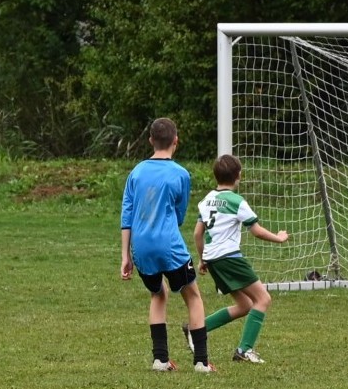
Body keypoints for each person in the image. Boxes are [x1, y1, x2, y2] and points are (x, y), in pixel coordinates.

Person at [120, 117, 215, 373]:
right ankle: (201, 362)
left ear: (151, 140)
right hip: (169, 246)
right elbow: (180, 213)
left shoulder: (136, 172)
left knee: (158, 294)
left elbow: (126, 215)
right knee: (193, 296)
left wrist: (125, 255)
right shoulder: (181, 174)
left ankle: (160, 359)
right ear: (176, 141)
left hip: (141, 249)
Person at [190, 154, 290, 364]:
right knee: (263, 299)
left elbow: (198, 234)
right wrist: (279, 238)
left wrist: (202, 259)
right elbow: (256, 231)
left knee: (244, 305)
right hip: (229, 258)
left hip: (214, 259)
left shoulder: (206, 200)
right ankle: (244, 350)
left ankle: (197, 329)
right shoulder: (237, 201)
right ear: (238, 176)